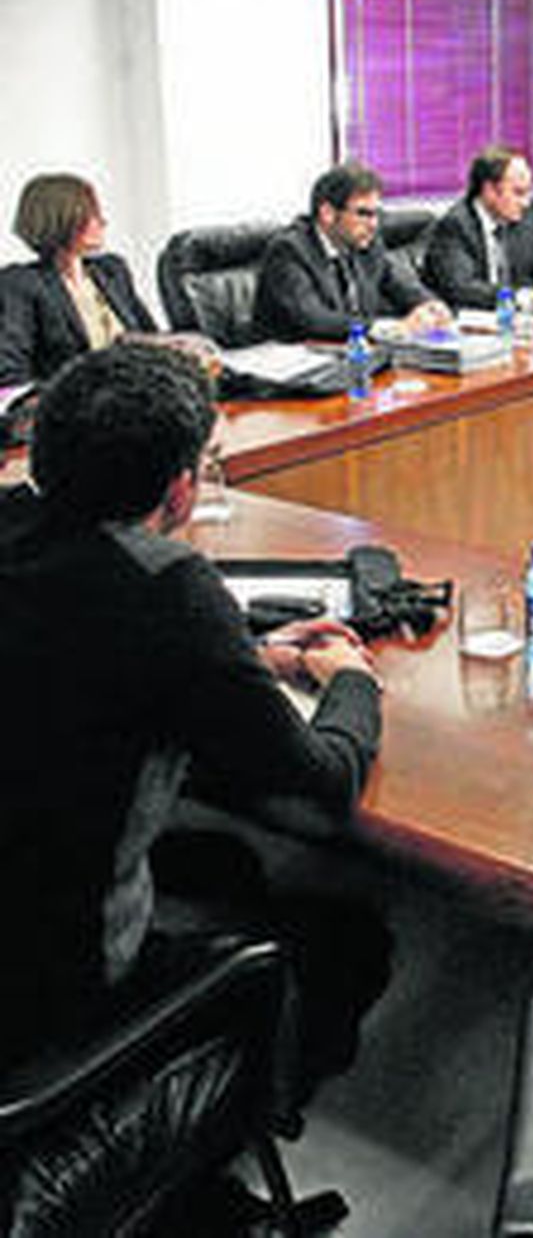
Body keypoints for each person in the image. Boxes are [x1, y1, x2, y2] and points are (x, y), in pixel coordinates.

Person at [0, 342, 390, 1086]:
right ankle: (231, 1124)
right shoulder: (166, 588)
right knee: (351, 941)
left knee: (227, 863)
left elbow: (74, 641)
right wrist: (349, 683)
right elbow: (322, 782)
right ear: (180, 492)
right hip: (50, 994)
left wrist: (246, 654)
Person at [253, 162, 451, 342]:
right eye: (363, 214)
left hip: (353, 356)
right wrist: (387, 327)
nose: (373, 224)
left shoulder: (366, 244)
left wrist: (430, 305)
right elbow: (314, 319)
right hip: (295, 365)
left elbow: (401, 285)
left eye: (376, 214)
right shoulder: (289, 251)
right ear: (328, 214)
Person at [0, 173, 158, 387]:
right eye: (91, 214)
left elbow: (151, 340)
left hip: (138, 394)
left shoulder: (112, 270)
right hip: (77, 408)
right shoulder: (20, 283)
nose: (102, 222)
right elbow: (9, 372)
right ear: (62, 219)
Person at [422, 144, 533, 310]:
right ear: (489, 190)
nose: (526, 203)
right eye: (518, 193)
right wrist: (524, 298)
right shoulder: (455, 226)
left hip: (516, 324)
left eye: (528, 192)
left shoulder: (523, 219)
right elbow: (463, 289)